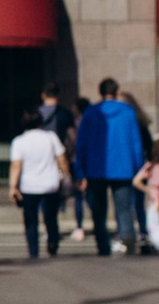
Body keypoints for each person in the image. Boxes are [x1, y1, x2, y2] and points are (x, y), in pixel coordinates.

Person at [72, 76, 147, 255]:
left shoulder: (90, 113)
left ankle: (102, 244)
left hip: (95, 168)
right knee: (124, 209)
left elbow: (80, 144)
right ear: (116, 91)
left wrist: (80, 171)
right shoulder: (128, 112)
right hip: (123, 168)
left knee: (99, 211)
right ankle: (127, 241)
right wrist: (139, 167)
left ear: (101, 92)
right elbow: (136, 143)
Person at [8, 103, 70, 258]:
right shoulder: (51, 137)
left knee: (31, 220)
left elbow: (16, 166)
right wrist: (66, 176)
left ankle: (33, 250)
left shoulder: (19, 141)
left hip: (29, 185)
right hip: (50, 184)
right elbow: (62, 159)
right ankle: (53, 242)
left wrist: (13, 187)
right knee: (51, 217)